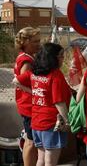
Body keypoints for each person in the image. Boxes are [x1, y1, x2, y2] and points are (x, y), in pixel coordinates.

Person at [14, 43, 71, 166]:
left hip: (37, 123)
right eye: (61, 56)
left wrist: (34, 92)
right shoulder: (55, 75)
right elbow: (59, 102)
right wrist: (67, 122)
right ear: (53, 57)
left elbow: (16, 81)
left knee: (41, 159)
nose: (63, 59)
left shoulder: (35, 72)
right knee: (50, 161)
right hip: (51, 123)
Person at [14, 27, 41, 166]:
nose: (39, 44)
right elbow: (22, 82)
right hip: (28, 104)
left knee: (30, 139)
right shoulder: (26, 61)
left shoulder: (25, 56)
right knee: (31, 140)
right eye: (35, 41)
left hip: (26, 104)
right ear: (26, 42)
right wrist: (38, 92)